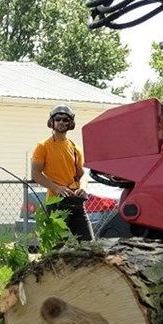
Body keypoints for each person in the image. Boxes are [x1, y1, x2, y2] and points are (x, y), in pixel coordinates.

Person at [30, 103, 93, 240]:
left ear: (71, 123)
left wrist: (83, 187)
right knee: (59, 246)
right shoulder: (43, 146)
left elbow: (83, 174)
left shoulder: (75, 147)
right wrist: (57, 188)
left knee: (89, 244)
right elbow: (35, 174)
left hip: (76, 201)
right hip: (56, 203)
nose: (61, 122)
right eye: (58, 119)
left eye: (65, 119)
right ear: (51, 122)